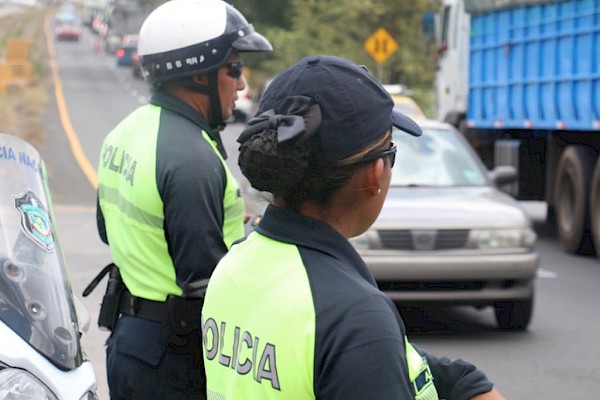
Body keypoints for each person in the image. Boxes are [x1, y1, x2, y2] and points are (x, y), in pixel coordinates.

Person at [201, 55, 506, 400]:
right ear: (374, 173)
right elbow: (352, 347)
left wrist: (462, 383)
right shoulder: (353, 314)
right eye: (391, 148)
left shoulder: (233, 266)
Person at [94, 0, 272, 398]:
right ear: (198, 75)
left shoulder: (125, 133)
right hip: (176, 359)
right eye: (234, 69)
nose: (241, 85)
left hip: (129, 342)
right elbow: (208, 287)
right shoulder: (192, 159)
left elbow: (110, 230)